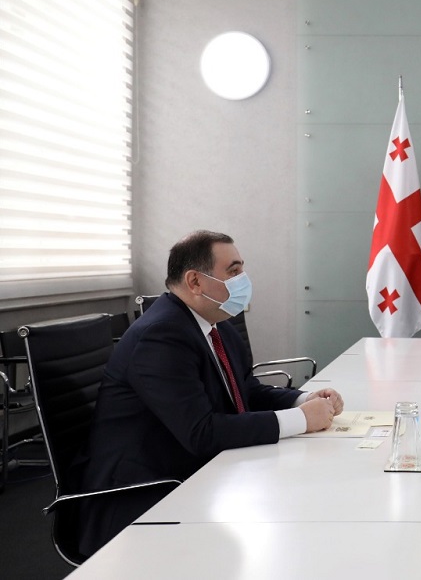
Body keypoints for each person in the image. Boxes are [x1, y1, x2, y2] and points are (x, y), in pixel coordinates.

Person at [77, 230, 344, 556]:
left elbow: (246, 391)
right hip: (146, 494)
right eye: (233, 271)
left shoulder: (217, 327)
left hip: (203, 473)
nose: (244, 280)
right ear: (195, 281)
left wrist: (303, 400)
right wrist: (300, 420)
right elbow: (201, 432)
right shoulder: (160, 337)